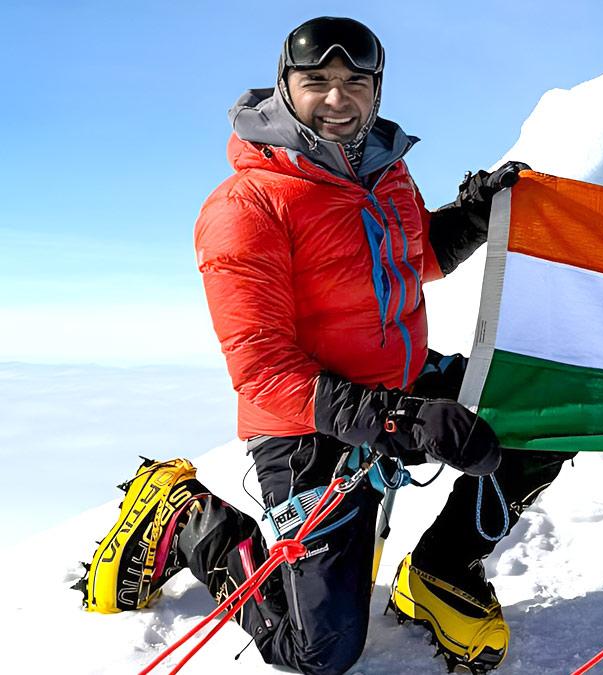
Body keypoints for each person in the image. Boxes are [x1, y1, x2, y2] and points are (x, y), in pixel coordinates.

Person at [73, 16, 555, 675]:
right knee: (319, 650)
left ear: (377, 90)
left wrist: (473, 218)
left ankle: (442, 571)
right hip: (308, 424)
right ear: (285, 86)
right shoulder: (247, 206)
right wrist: (401, 419)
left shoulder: (383, 170)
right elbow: (263, 373)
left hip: (398, 383)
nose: (337, 99)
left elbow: (411, 257)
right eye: (317, 81)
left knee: (552, 406)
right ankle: (183, 513)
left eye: (355, 82)